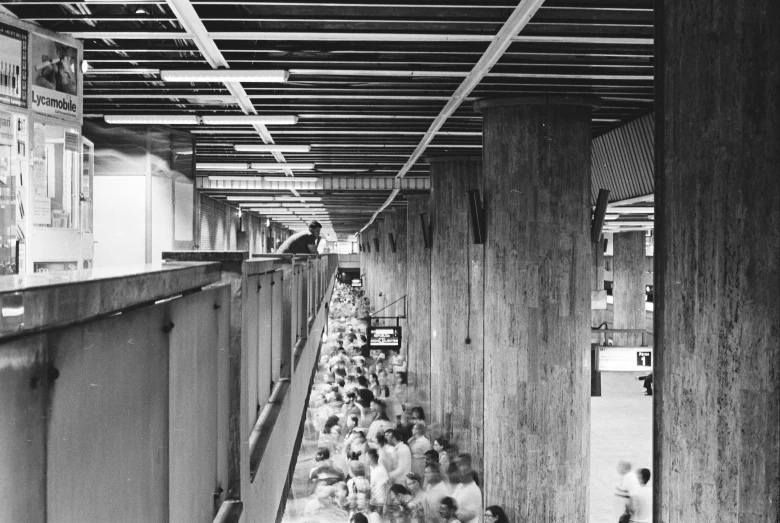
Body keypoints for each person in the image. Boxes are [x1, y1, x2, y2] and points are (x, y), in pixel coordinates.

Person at [367, 448, 389, 514]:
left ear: (372, 459)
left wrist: (386, 504)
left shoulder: (381, 470)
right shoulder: (371, 467)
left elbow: (387, 486)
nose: (365, 459)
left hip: (379, 504)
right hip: (372, 501)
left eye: (367, 458)